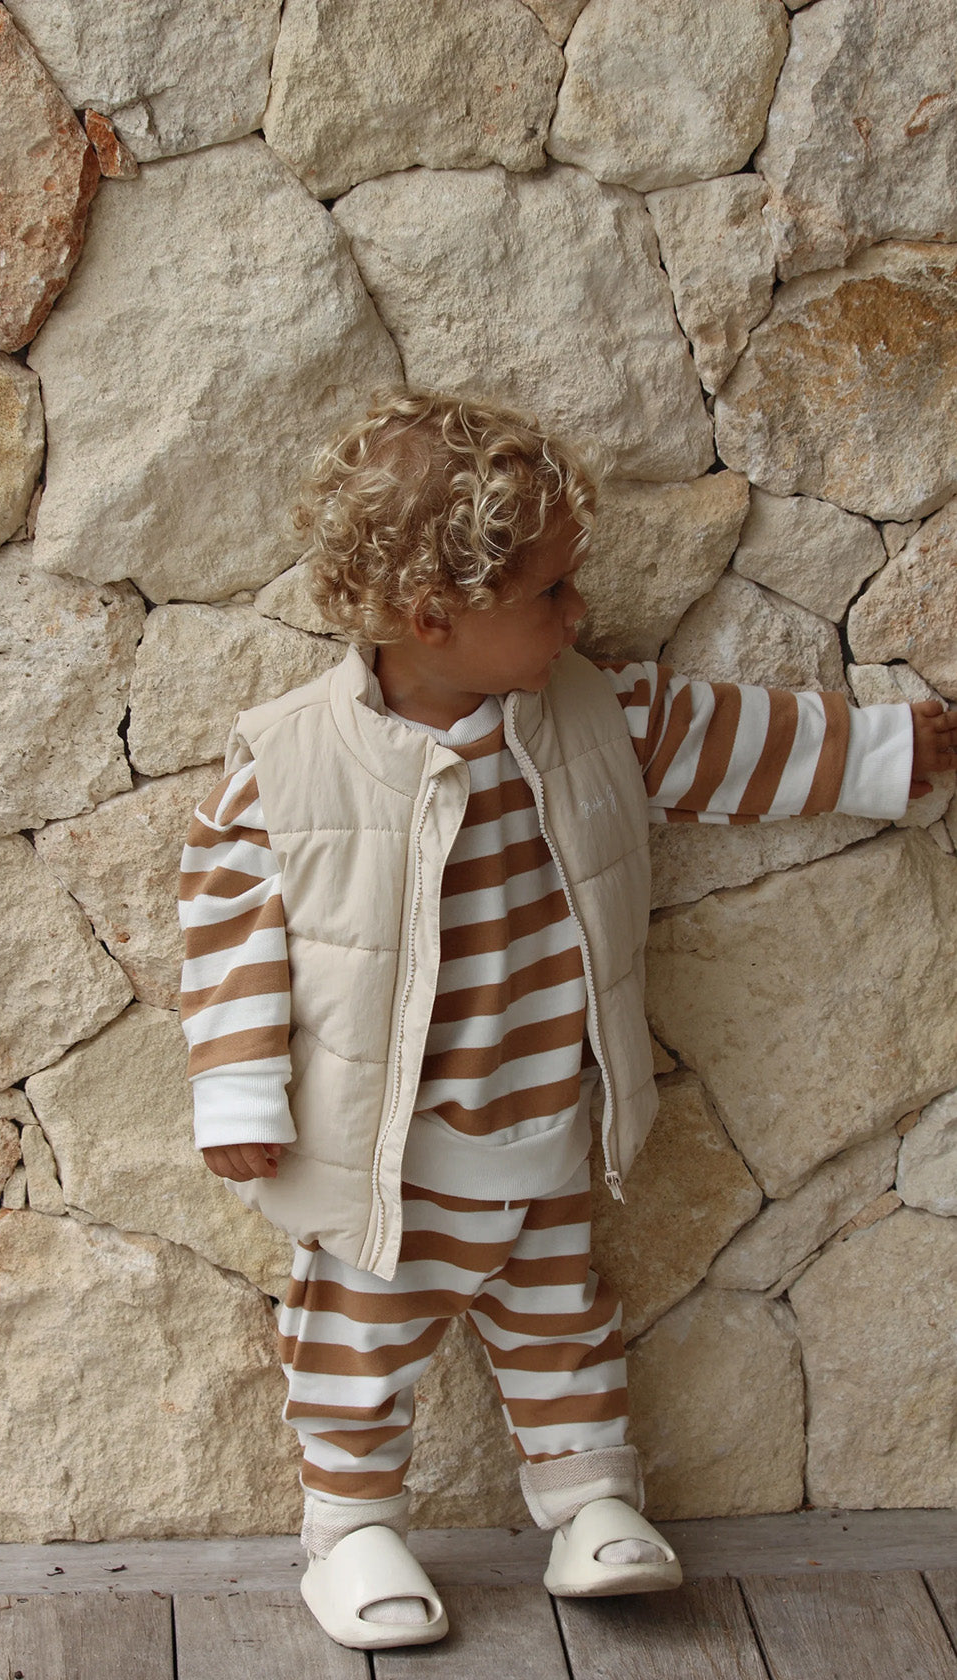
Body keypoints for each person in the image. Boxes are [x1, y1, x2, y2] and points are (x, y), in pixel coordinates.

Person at [178, 390, 956, 1651]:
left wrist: (875, 750)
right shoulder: (287, 762)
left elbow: (725, 741)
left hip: (544, 1129)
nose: (579, 613)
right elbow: (225, 930)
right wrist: (234, 1093)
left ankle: (590, 1501)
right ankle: (353, 1524)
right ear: (435, 620)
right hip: (384, 1154)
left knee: (562, 1328)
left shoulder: (593, 711)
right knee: (355, 1343)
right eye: (550, 594)